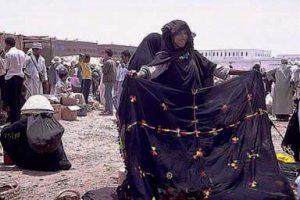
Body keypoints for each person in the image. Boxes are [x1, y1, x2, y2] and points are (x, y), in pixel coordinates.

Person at [116, 20, 292, 200]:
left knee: (197, 146)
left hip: (194, 111)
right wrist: (139, 74)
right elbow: (153, 69)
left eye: (185, 33)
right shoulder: (166, 56)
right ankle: (178, 182)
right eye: (179, 33)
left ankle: (197, 180)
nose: (183, 37)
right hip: (173, 113)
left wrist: (244, 74)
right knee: (178, 148)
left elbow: (217, 70)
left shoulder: (194, 56)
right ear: (171, 36)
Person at [4, 37, 26, 123]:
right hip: (20, 77)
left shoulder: (8, 54)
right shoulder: (21, 53)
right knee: (17, 98)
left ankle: (14, 118)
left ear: (8, 44)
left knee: (11, 99)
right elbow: (23, 66)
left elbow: (6, 67)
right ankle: (18, 117)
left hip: (11, 78)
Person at [101, 49, 116, 115]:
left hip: (108, 81)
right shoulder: (113, 62)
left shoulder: (107, 62)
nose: (104, 55)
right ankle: (107, 109)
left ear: (107, 54)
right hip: (111, 81)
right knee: (107, 95)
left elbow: (104, 71)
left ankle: (109, 111)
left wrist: (103, 64)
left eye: (105, 54)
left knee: (108, 96)